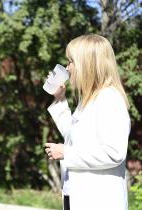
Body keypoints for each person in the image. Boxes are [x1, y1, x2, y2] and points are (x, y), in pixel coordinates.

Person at [44, 34, 130, 210]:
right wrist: (60, 98)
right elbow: (72, 135)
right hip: (76, 197)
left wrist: (66, 153)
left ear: (88, 65)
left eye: (71, 62)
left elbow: (114, 153)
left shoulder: (110, 99)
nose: (68, 68)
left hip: (99, 201)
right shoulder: (89, 99)